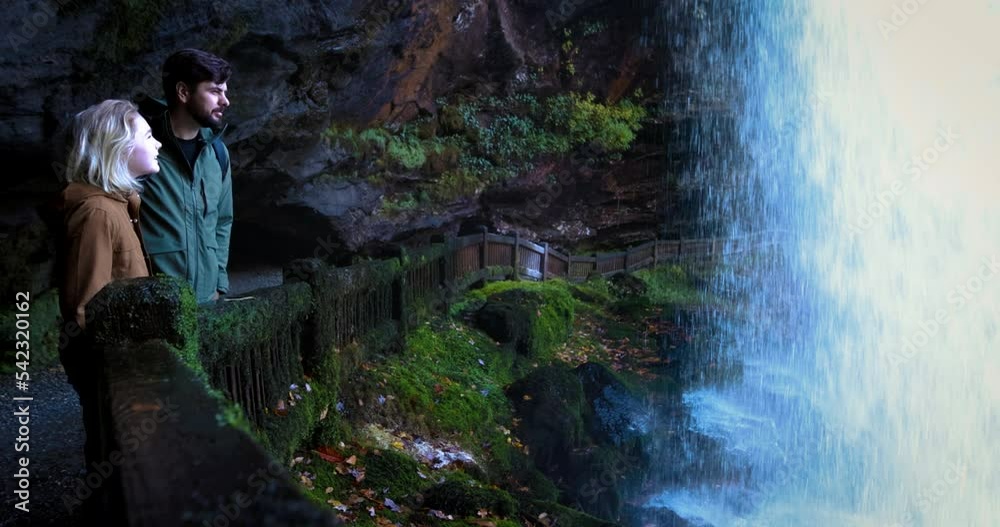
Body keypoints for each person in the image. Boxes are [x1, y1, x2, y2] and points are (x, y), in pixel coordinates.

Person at [55, 99, 161, 516]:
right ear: (117, 148)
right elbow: (86, 307)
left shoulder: (117, 205)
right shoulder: (99, 212)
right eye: (148, 136)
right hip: (114, 371)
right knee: (114, 461)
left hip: (126, 368)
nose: (158, 145)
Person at [138, 48, 234, 303]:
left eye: (224, 91)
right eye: (215, 91)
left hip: (208, 303)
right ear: (183, 92)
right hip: (155, 306)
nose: (225, 101)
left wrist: (219, 285)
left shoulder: (217, 153)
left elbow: (223, 221)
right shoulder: (140, 150)